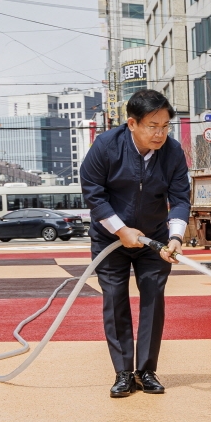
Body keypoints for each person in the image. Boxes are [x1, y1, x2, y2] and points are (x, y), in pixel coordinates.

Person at [80, 89, 191, 398]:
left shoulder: (172, 153)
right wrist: (120, 230)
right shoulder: (105, 146)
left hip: (154, 239)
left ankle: (147, 370)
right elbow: (92, 192)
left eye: (165, 125)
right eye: (152, 126)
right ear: (132, 124)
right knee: (115, 299)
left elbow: (180, 198)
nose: (160, 133)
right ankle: (123, 373)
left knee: (153, 298)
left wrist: (175, 236)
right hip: (109, 237)